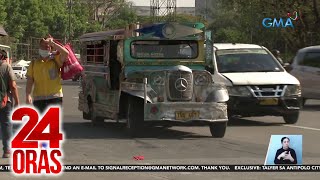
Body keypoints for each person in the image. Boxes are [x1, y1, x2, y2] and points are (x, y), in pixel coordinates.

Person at [26, 37, 69, 113]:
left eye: (47, 46)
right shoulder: (33, 63)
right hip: (39, 100)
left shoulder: (56, 60)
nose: (45, 48)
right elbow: (30, 81)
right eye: (43, 46)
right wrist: (28, 95)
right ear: (39, 48)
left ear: (51, 49)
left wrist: (52, 43)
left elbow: (66, 53)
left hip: (55, 98)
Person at [0, 50, 20, 158]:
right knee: (6, 125)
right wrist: (17, 101)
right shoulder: (6, 67)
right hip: (4, 101)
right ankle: (7, 149)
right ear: (4, 57)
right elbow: (13, 86)